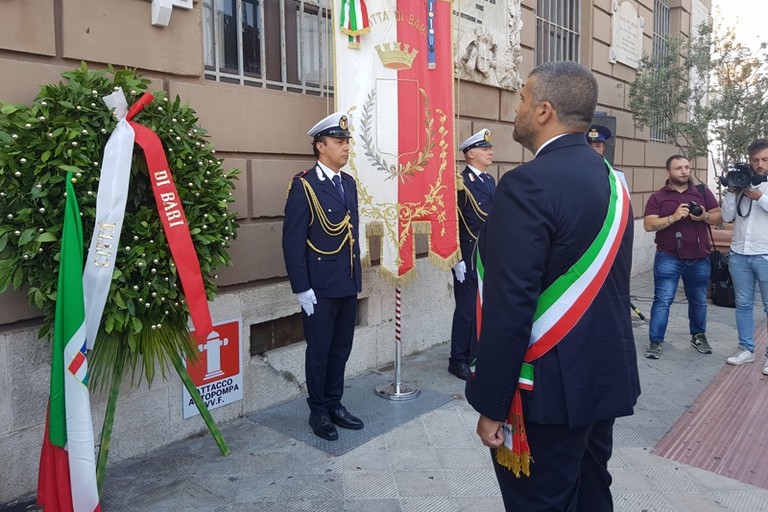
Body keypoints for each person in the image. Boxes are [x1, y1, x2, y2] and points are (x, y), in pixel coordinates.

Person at [466, 61, 640, 511]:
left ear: (544, 110)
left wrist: (492, 403)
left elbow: (511, 305)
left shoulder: (527, 184)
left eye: (522, 98)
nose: (516, 108)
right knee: (591, 493)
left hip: (545, 392)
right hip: (603, 377)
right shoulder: (613, 182)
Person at [282, 112, 364, 441]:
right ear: (320, 146)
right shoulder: (304, 185)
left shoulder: (348, 183)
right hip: (319, 287)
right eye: (339, 142)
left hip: (345, 281)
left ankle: (334, 402)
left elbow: (351, 234)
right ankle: (318, 409)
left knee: (341, 348)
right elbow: (292, 240)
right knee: (319, 350)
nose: (346, 147)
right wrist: (302, 289)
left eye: (347, 141)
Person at [642, 155, 722, 360]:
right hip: (668, 257)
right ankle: (655, 341)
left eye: (687, 167)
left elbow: (719, 216)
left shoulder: (702, 191)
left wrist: (703, 216)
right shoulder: (658, 197)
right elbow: (649, 225)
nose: (684, 171)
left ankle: (699, 336)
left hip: (700, 257)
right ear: (668, 172)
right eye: (678, 168)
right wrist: (673, 217)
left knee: (698, 301)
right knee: (662, 300)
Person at [449, 129, 496, 380]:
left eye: (489, 147)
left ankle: (474, 354)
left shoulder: (489, 181)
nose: (490, 151)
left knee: (482, 307)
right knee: (466, 309)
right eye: (484, 148)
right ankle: (457, 359)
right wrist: (455, 259)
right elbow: (451, 222)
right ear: (470, 154)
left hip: (487, 254)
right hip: (467, 255)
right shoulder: (460, 182)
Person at [721, 138, 768, 370]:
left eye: (765, 160)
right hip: (739, 253)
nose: (760, 164)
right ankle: (746, 349)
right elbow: (727, 217)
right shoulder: (742, 183)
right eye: (755, 160)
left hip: (766, 255)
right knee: (743, 304)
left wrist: (760, 197)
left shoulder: (759, 189)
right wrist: (731, 191)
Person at [586, 124, 629, 192]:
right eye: (590, 145)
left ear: (603, 148)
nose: (593, 150)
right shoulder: (576, 171)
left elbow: (624, 201)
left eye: (598, 146)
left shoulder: (617, 175)